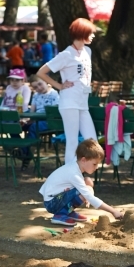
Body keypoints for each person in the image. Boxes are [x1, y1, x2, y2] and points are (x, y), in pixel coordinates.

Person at [37, 18, 98, 164]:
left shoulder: (87, 51)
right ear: (81, 33)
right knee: (72, 142)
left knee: (92, 140)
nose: (93, 36)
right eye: (90, 33)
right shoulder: (66, 54)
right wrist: (59, 86)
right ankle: (70, 173)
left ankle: (83, 170)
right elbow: (41, 72)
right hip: (69, 102)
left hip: (83, 102)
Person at [39, 139, 123, 226]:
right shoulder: (74, 174)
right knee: (85, 191)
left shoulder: (76, 163)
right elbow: (90, 197)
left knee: (88, 181)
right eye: (94, 164)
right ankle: (60, 214)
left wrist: (89, 194)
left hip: (55, 198)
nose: (97, 167)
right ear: (83, 160)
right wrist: (113, 211)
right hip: (52, 203)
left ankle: (68, 211)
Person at [21, 75, 60, 170]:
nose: (39, 88)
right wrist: (26, 120)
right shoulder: (36, 95)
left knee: (34, 127)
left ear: (46, 82)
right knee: (19, 125)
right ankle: (20, 150)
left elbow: (53, 113)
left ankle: (23, 152)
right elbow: (32, 112)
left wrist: (34, 119)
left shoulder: (54, 94)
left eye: (40, 84)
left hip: (49, 121)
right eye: (35, 87)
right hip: (37, 119)